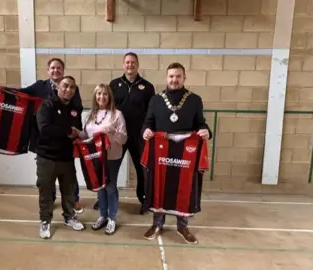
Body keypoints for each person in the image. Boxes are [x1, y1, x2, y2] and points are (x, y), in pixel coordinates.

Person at [141, 62, 212, 244]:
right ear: (166, 78)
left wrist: (206, 131)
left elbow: (200, 123)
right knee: (159, 185)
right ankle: (157, 223)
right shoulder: (156, 100)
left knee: (185, 186)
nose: (174, 79)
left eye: (178, 76)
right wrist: (146, 131)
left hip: (185, 153)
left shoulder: (194, 99)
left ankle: (183, 226)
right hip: (161, 152)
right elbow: (148, 123)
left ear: (184, 78)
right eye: (171, 76)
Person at [18, 58, 84, 213]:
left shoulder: (72, 88)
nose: (56, 70)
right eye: (53, 68)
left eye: (59, 68)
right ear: (48, 70)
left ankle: (73, 202)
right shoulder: (40, 86)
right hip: (46, 140)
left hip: (66, 142)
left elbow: (77, 109)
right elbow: (21, 92)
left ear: (63, 70)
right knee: (47, 177)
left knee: (69, 176)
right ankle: (50, 201)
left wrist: (74, 130)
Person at [101, 52, 155, 214]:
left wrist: (148, 131)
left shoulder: (147, 86)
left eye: (133, 62)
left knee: (142, 169)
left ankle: (145, 199)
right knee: (110, 167)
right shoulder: (114, 84)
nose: (130, 65)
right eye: (127, 62)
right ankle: (104, 199)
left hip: (139, 136)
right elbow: (107, 108)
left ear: (137, 65)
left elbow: (151, 113)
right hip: (117, 136)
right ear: (123, 65)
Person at [35, 75, 85, 239]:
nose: (68, 89)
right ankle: (45, 220)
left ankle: (69, 217)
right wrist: (67, 131)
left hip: (67, 157)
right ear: (58, 87)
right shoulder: (47, 105)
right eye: (65, 86)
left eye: (71, 87)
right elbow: (45, 128)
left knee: (69, 190)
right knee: (46, 192)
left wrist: (78, 133)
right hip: (47, 157)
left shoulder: (76, 108)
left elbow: (77, 129)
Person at [77, 84, 127, 235]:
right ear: (95, 96)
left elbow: (124, 138)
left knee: (110, 186)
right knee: (100, 186)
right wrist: (77, 134)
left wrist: (112, 132)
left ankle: (112, 218)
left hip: (112, 156)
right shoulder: (90, 115)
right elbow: (87, 136)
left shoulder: (117, 114)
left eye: (105, 94)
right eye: (99, 94)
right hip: (96, 157)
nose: (102, 97)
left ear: (109, 96)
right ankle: (103, 215)